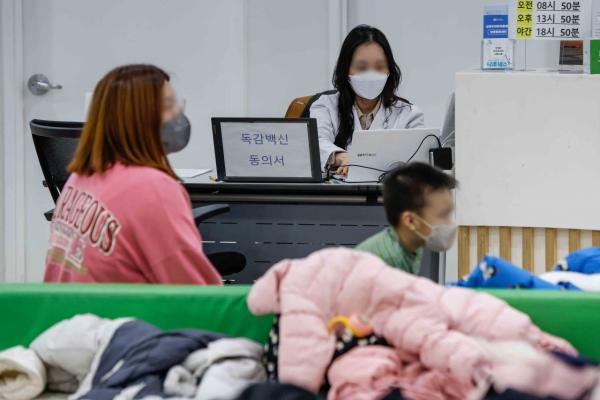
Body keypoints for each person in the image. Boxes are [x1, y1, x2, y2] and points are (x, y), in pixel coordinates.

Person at [44, 64, 222, 284]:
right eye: (168, 105)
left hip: (66, 314)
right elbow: (192, 291)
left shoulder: (80, 178)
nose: (178, 114)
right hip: (119, 316)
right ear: (138, 119)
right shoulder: (154, 188)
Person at [310, 25, 424, 175]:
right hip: (339, 195)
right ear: (345, 70)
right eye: (362, 67)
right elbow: (315, 142)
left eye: (379, 67)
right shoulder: (325, 106)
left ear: (389, 70)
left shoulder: (409, 114)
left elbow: (419, 161)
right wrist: (341, 157)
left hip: (390, 195)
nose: (371, 75)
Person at [356, 163, 457, 275]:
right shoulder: (388, 262)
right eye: (442, 215)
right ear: (410, 221)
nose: (450, 224)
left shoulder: (413, 243)